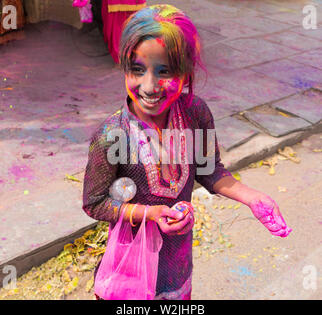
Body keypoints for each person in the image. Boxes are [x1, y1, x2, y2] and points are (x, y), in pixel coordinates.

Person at [82, 4, 292, 300]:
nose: (150, 86)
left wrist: (253, 198)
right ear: (124, 67)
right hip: (130, 267)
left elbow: (210, 170)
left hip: (177, 265)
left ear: (186, 72)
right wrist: (149, 213)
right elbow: (95, 202)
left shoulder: (195, 113)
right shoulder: (111, 135)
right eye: (137, 70)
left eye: (164, 71)